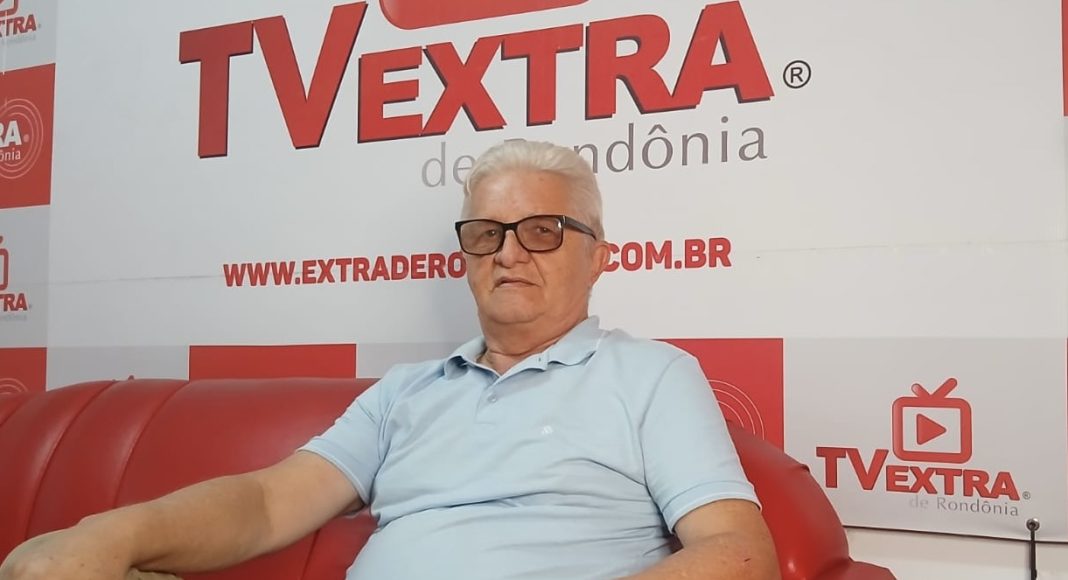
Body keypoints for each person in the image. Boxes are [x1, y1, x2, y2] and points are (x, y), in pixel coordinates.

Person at [0, 140, 779, 580]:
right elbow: (267, 503)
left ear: (598, 256)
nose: (509, 253)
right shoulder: (408, 392)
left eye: (542, 231)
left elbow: (738, 553)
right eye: (486, 234)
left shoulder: (651, 376)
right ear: (466, 256)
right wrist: (115, 535)